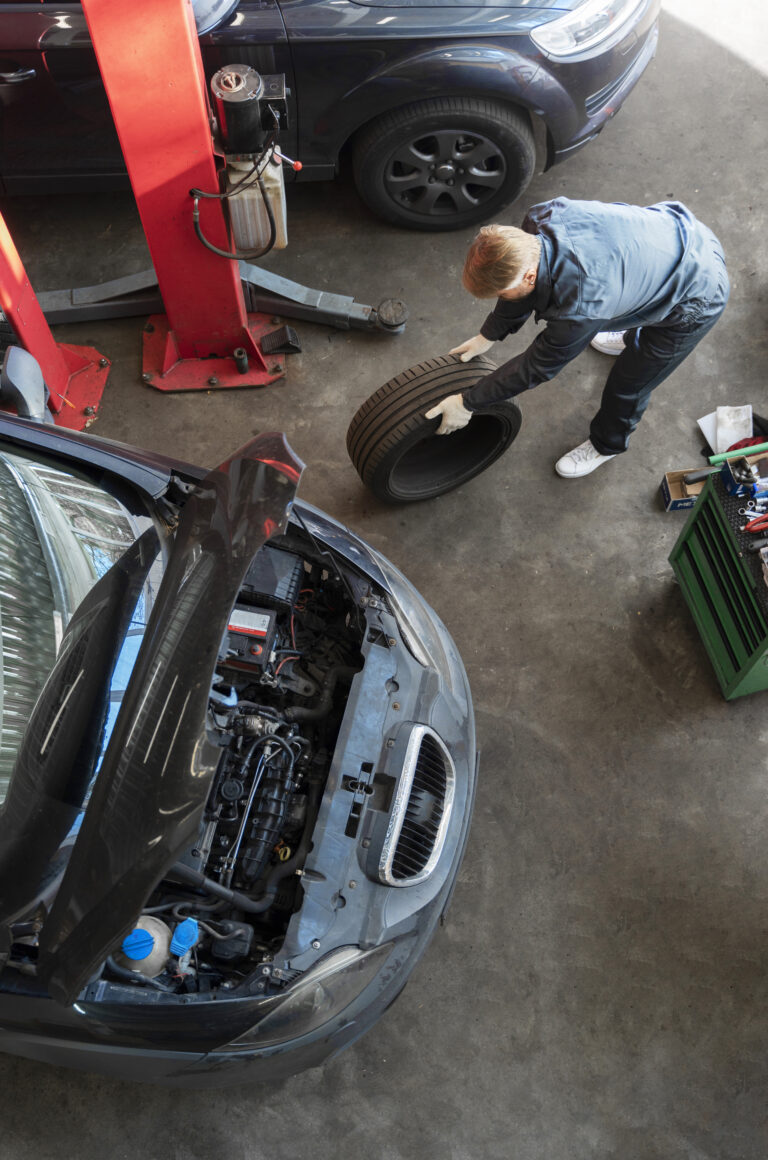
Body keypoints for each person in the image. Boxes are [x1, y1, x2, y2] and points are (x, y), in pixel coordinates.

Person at [425, 198, 730, 478]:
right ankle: (630, 327)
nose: (501, 297)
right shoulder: (540, 219)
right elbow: (517, 284)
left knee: (630, 384)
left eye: (501, 293)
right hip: (668, 237)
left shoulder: (580, 307)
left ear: (529, 277)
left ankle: (607, 446)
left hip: (700, 289)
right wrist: (490, 333)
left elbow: (538, 367)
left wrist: (468, 402)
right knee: (617, 304)